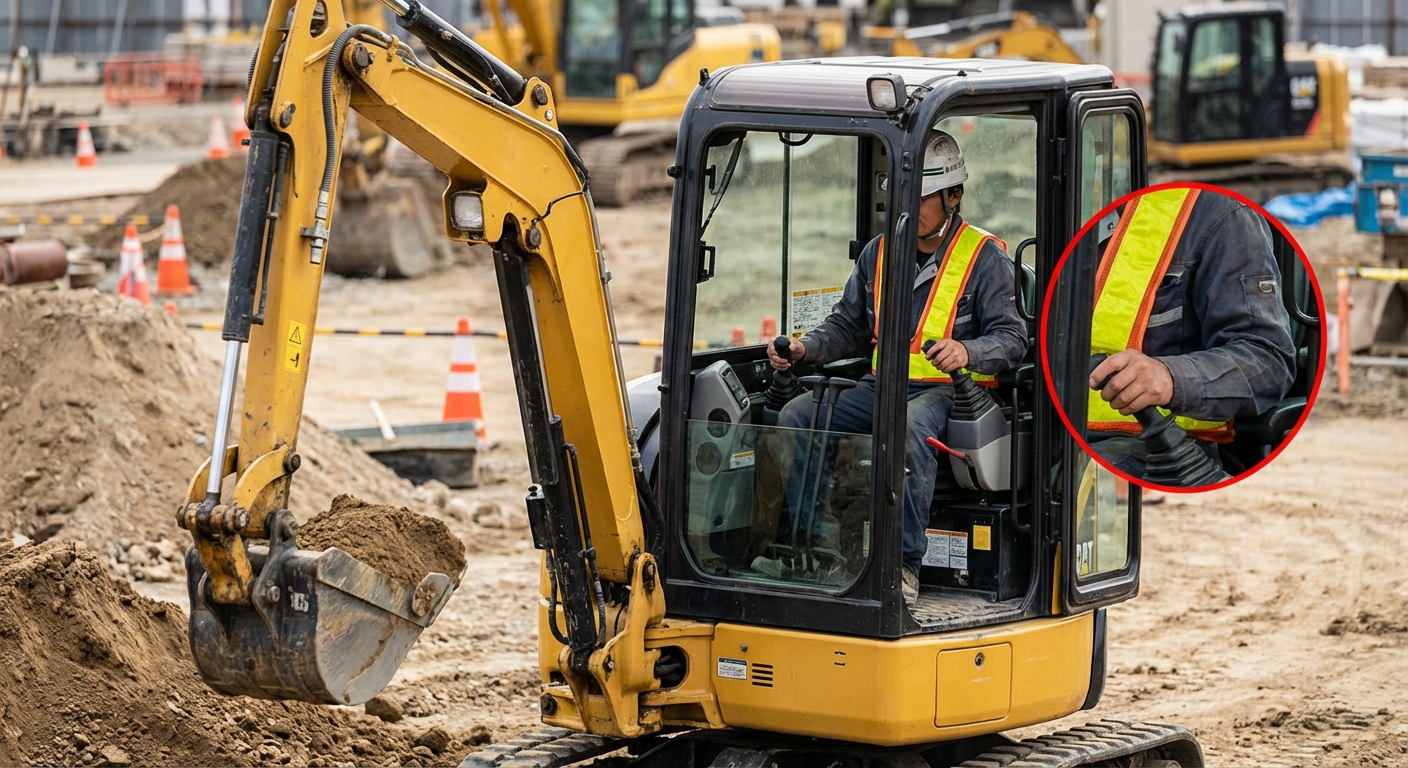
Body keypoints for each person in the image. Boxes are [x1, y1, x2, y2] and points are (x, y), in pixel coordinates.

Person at [767, 129, 1027, 607]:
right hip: (883, 387)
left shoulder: (985, 259)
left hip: (954, 395)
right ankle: (814, 548)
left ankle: (904, 565)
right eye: (904, 194)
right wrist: (805, 350)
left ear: (954, 196)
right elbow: (847, 326)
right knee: (798, 417)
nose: (910, 207)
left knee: (909, 429)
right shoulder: (880, 253)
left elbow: (1012, 341)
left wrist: (968, 353)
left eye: (924, 196)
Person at [1084, 186, 1296, 481]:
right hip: (1058, 435)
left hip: (1164, 449)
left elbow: (1268, 360)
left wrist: (1169, 377)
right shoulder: (1069, 211)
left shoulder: (1220, 215)